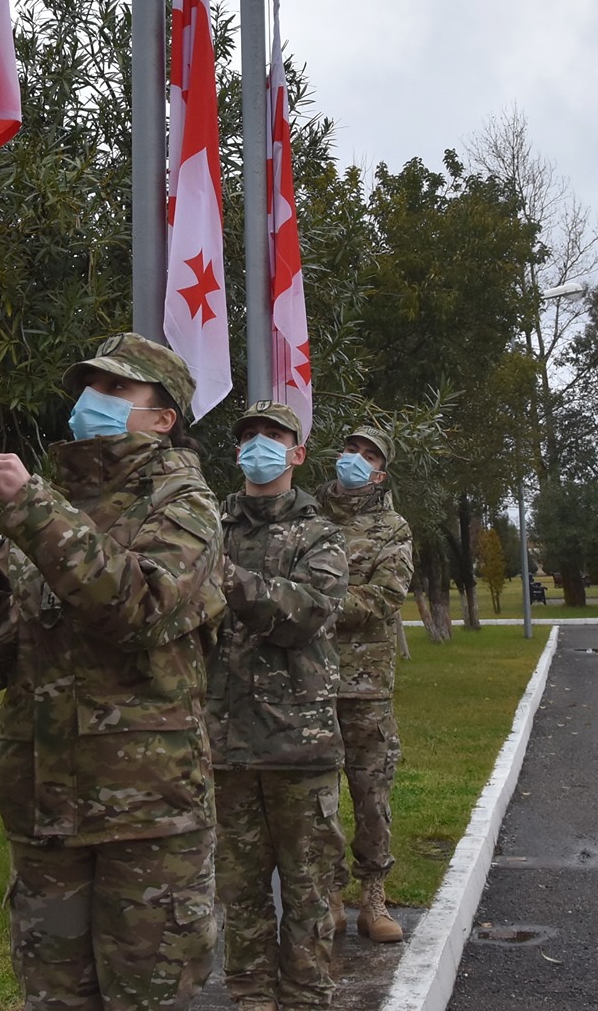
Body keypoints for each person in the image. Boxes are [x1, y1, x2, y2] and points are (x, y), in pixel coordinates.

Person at [0, 332, 226, 1011]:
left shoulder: (185, 505)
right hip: (48, 805)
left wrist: (33, 507)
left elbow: (138, 609)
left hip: (147, 814)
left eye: (116, 388)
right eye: (90, 387)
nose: (92, 400)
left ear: (163, 417)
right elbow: (14, 657)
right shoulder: (59, 504)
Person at [206, 401, 348, 1011]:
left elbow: (308, 615)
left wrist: (227, 579)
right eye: (248, 436)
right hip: (225, 743)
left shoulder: (321, 534)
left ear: (297, 453)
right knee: (238, 893)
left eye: (272, 435)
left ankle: (307, 996)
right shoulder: (210, 528)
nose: (258, 444)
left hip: (299, 745)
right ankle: (250, 997)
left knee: (308, 888)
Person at [317, 424, 414, 944]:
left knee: (371, 796)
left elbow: (385, 597)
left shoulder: (393, 529)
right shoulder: (307, 516)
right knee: (318, 798)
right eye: (350, 448)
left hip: (366, 686)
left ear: (381, 473)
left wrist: (311, 604)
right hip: (309, 681)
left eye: (369, 455)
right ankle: (331, 896)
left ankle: (373, 897)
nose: (355, 457)